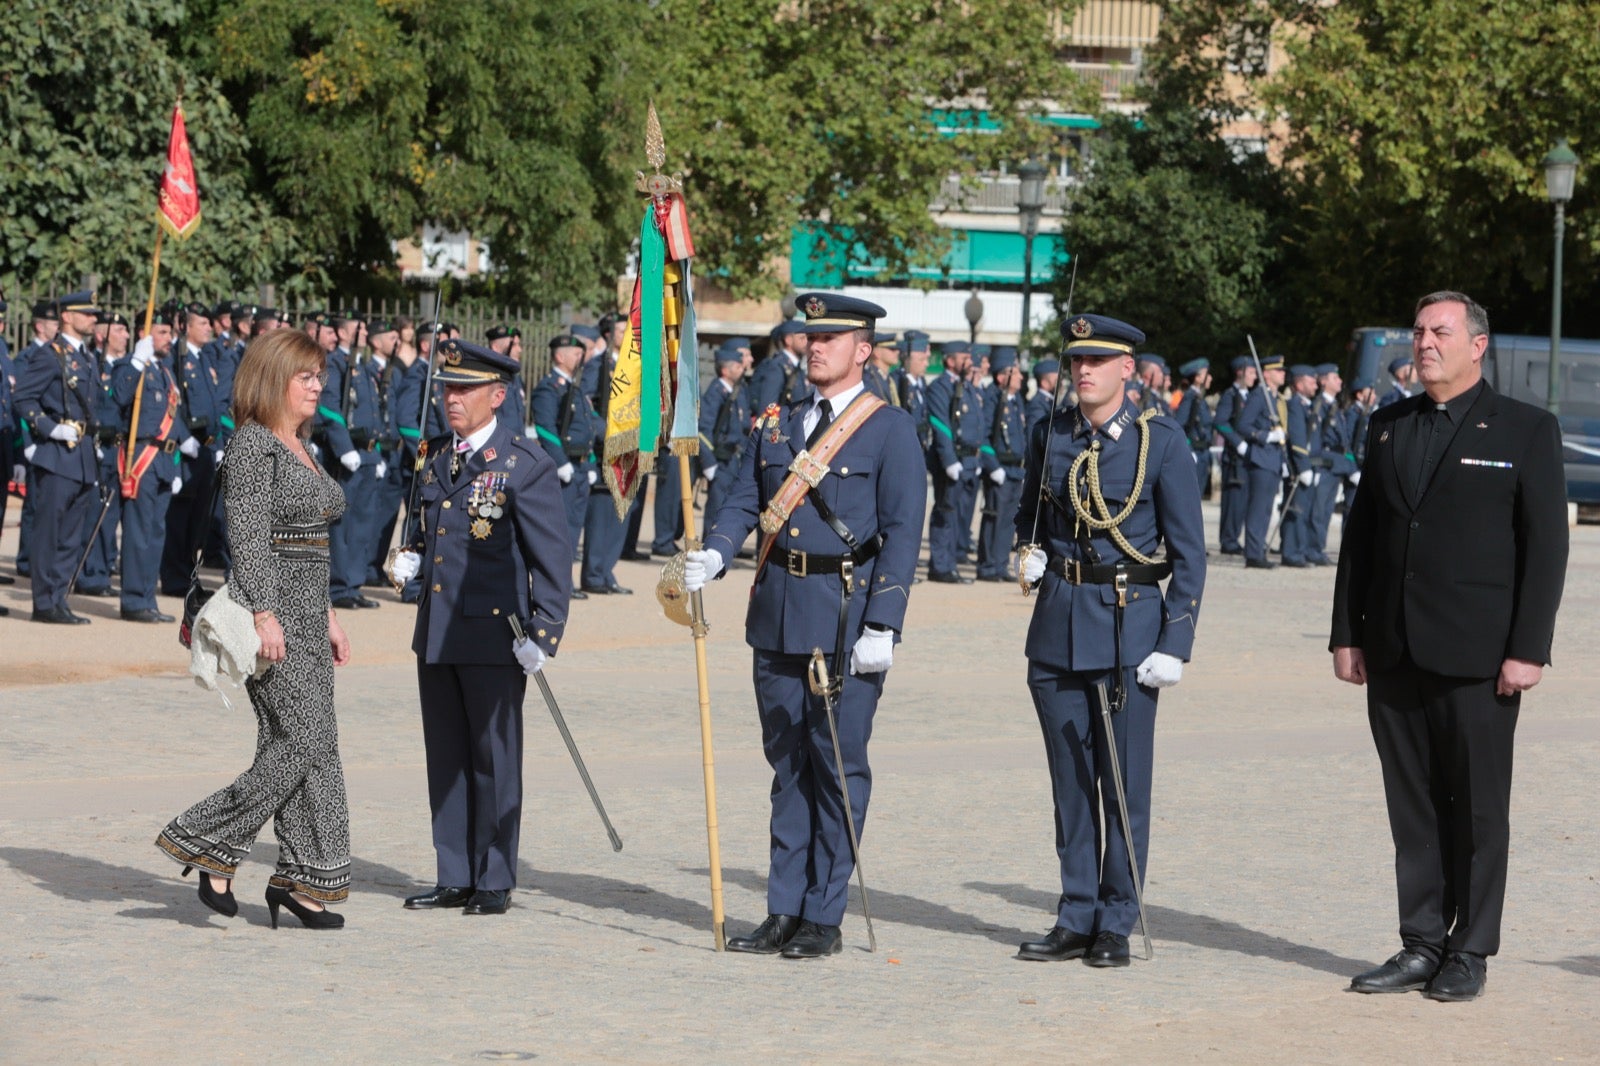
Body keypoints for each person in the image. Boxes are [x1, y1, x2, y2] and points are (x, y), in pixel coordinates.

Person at [1332, 291, 1568, 1003]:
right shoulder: (1388, 424)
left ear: (1477, 345)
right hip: (1395, 650)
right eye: (1419, 330)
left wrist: (1528, 648)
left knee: (1478, 809)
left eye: (1440, 331)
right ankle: (1420, 941)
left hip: (1479, 657)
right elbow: (1362, 541)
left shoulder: (1525, 429)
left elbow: (1546, 548)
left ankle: (1471, 949)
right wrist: (1348, 633)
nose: (1425, 341)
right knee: (1413, 807)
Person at [683, 292, 926, 959]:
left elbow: (904, 533)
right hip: (778, 611)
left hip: (845, 616)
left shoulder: (889, 428)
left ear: (862, 350)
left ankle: (824, 911)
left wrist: (885, 623)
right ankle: (783, 907)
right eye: (810, 337)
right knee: (787, 764)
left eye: (831, 338)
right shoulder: (777, 420)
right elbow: (742, 495)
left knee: (836, 764)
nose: (815, 347)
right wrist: (717, 549)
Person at [1012, 313, 1206, 967]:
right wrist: (1029, 550)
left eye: (1097, 361)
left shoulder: (1160, 443)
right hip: (1058, 625)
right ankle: (1076, 913)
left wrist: (1175, 642)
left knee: (1122, 784)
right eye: (1076, 361)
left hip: (1129, 629)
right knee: (1070, 784)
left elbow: (1189, 553)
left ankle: (1116, 920)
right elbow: (1027, 514)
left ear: (1128, 369)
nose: (1083, 371)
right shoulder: (1049, 433)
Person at [155, 328, 354, 930]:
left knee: (309, 744)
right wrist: (267, 614)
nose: (318, 386)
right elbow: (248, 540)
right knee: (302, 741)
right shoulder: (253, 446)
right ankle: (211, 840)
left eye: (320, 375)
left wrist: (329, 615)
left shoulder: (299, 443)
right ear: (273, 379)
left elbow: (309, 546)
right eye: (306, 376)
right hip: (271, 614)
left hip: (308, 613)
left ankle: (302, 880)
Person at [387, 339, 573, 917]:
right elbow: (430, 527)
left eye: (465, 390)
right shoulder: (435, 455)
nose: (452, 399)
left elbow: (552, 558)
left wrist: (543, 634)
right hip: (438, 629)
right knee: (446, 755)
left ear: (498, 396)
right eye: (447, 388)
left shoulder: (524, 464)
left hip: (496, 634)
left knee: (493, 757)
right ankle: (454, 873)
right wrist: (410, 557)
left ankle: (493, 877)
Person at [14, 291, 103, 623]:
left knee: (70, 535)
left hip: (81, 457)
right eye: (88, 313)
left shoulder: (87, 357)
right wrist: (49, 428)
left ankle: (58, 597)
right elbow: (22, 398)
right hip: (57, 454)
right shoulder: (51, 356)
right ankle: (44, 602)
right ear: (67, 316)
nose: (94, 319)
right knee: (50, 531)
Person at [110, 309, 184, 622]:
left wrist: (177, 467)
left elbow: (175, 420)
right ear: (145, 333)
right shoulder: (130, 366)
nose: (169, 339)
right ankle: (133, 601)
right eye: (162, 332)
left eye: (169, 332)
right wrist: (136, 362)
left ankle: (146, 597)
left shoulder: (165, 371)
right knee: (138, 533)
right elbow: (119, 397)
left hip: (165, 460)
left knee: (156, 533)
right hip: (143, 458)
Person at [924, 340, 985, 583]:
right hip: (953, 461)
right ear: (950, 360)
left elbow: (976, 423)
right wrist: (949, 460)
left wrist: (977, 456)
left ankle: (950, 563)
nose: (969, 361)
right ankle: (940, 566)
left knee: (959, 516)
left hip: (969, 460)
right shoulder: (940, 387)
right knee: (946, 513)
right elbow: (940, 424)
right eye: (964, 357)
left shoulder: (965, 386)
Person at [975, 346, 1025, 582]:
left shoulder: (1016, 401)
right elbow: (983, 435)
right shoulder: (992, 398)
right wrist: (993, 466)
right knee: (994, 518)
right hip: (1000, 468)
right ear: (1001, 377)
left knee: (1009, 521)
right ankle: (987, 566)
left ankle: (1000, 564)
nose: (1021, 377)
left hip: (1016, 469)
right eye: (1015, 373)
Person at [1234, 353, 1287, 569]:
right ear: (1267, 374)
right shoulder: (1259, 396)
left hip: (1273, 459)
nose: (1283, 374)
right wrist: (1266, 436)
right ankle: (1253, 554)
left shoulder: (1274, 397)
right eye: (1278, 371)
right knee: (1258, 508)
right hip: (1261, 459)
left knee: (1266, 509)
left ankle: (1258, 551)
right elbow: (1243, 425)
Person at [698, 340, 752, 535]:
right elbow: (703, 430)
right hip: (721, 461)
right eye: (737, 366)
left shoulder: (737, 392)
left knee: (730, 508)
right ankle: (710, 544)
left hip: (735, 459)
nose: (741, 369)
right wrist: (709, 464)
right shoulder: (716, 393)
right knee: (717, 508)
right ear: (725, 371)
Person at [1211, 356, 1255, 556]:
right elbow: (1220, 422)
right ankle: (1228, 540)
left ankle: (1234, 537)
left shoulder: (1249, 397)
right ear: (1240, 372)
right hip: (1235, 457)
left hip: (1247, 457)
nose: (1255, 376)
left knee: (1242, 501)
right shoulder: (1231, 395)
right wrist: (1238, 443)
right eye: (1251, 372)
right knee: (1233, 501)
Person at [1172, 357, 1214, 498]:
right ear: (1197, 378)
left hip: (1202, 451)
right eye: (1206, 374)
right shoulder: (1190, 397)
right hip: (1195, 452)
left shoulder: (1198, 397)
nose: (1210, 378)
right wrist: (1188, 449)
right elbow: (1179, 425)